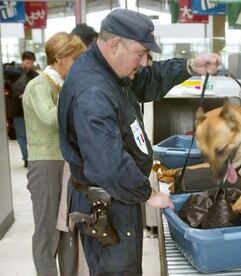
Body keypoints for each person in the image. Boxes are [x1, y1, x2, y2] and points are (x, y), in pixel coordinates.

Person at [58, 8, 220, 275]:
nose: (145, 62)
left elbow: (147, 81)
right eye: (141, 54)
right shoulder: (93, 92)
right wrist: (148, 194)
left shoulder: (110, 71)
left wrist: (189, 66)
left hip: (120, 196)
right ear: (115, 44)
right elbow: (108, 164)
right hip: (108, 203)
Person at [22, 32, 86, 276]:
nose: (79, 64)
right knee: (47, 230)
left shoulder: (59, 86)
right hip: (46, 165)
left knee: (67, 227)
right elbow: (50, 119)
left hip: (65, 163)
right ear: (60, 58)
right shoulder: (38, 85)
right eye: (76, 58)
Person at [8, 51, 38, 167]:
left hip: (31, 110)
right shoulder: (14, 72)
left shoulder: (34, 75)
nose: (29, 65)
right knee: (21, 135)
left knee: (32, 135)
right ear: (23, 60)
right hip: (18, 110)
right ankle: (26, 158)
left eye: (31, 63)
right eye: (27, 62)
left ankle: (32, 157)